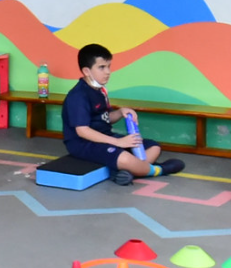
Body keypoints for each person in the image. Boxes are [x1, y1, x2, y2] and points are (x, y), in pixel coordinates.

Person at [62, 43, 185, 185]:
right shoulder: (78, 96)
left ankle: (130, 171)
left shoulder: (100, 90)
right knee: (125, 158)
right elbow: (83, 131)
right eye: (101, 67)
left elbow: (105, 119)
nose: (108, 72)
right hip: (84, 144)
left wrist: (121, 112)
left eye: (108, 66)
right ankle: (158, 170)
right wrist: (118, 142)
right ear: (86, 71)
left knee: (153, 147)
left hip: (106, 137)